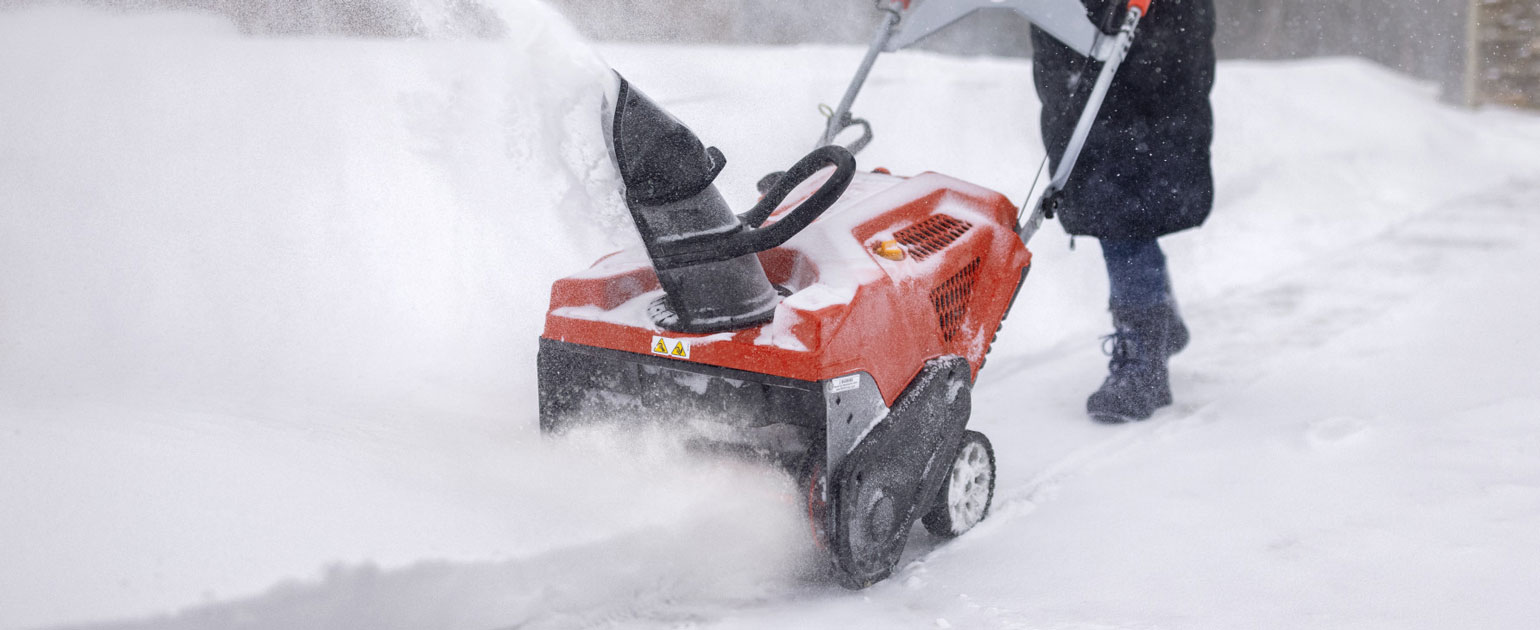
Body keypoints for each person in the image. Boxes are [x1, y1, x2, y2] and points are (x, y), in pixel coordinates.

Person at [1030, 0, 1217, 423]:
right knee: (1101, 184)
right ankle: (1157, 319)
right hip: (1070, 26)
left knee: (1124, 192)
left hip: (1151, 30)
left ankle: (1145, 355)